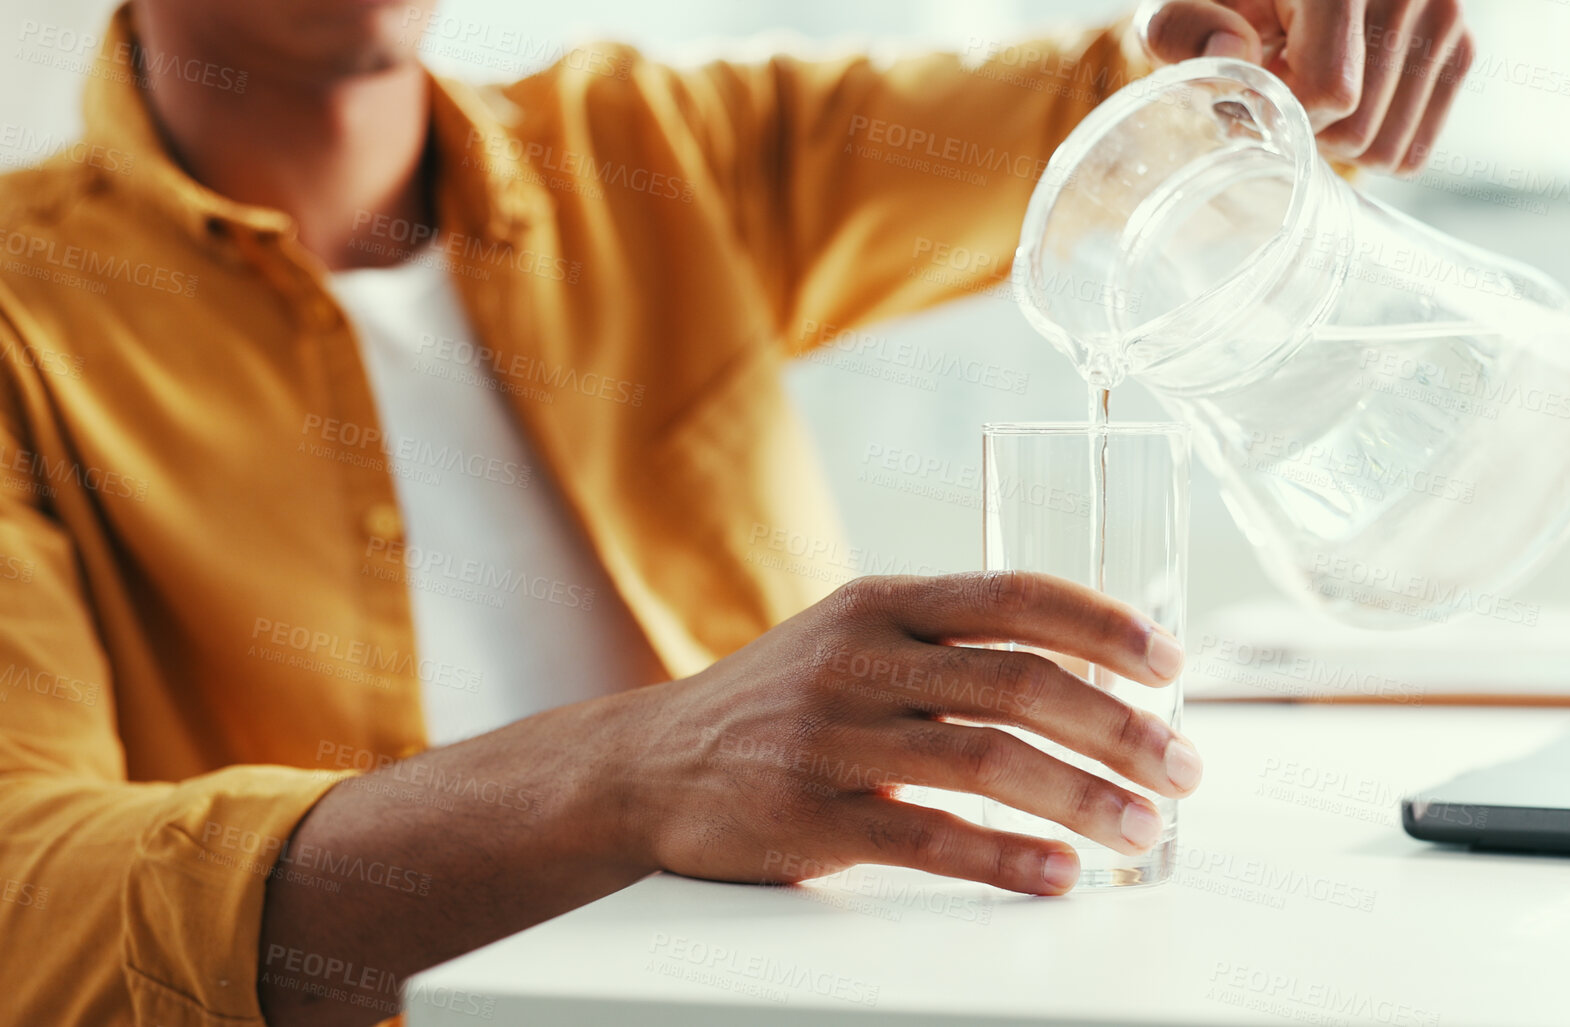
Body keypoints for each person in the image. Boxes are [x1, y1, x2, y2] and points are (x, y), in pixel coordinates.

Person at [0, 0, 1472, 1023]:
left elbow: (1131, 107)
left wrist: (1277, 43)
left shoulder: (655, 155)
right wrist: (628, 769)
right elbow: (27, 906)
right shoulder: (27, 319)